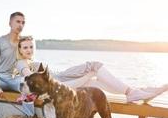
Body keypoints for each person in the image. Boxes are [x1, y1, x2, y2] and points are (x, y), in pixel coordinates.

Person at [16, 36, 168, 103]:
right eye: (25, 47)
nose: (29, 49)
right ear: (20, 50)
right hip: (59, 80)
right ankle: (133, 92)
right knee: (94, 67)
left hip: (60, 80)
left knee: (95, 82)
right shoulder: (22, 63)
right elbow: (29, 78)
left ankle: (142, 91)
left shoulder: (31, 61)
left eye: (31, 46)